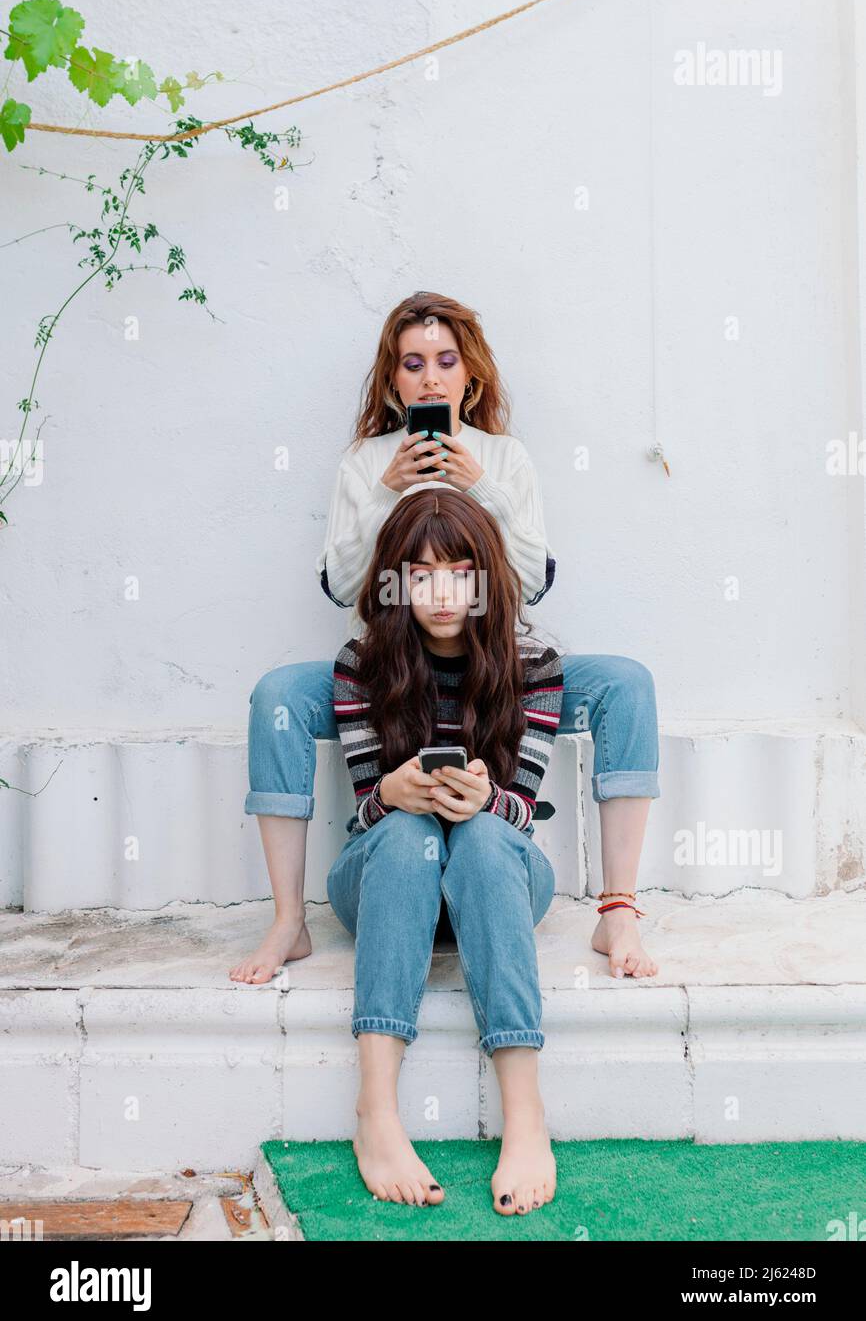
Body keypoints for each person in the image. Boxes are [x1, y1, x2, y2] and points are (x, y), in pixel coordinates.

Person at [232, 290, 659, 985]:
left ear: (472, 376)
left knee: (626, 682)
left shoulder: (505, 458)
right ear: (394, 381)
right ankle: (287, 919)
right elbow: (344, 587)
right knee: (278, 693)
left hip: (488, 659)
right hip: (386, 667)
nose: (430, 376)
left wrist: (481, 488)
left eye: (445, 360)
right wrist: (384, 493)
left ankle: (619, 908)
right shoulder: (365, 462)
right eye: (411, 363)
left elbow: (531, 583)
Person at [328, 486, 563, 1213]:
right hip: (385, 880)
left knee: (489, 839)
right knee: (404, 836)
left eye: (459, 572)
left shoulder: (535, 663)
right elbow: (366, 810)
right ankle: (377, 1113)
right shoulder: (360, 664)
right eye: (420, 574)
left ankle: (526, 1120)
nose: (440, 592)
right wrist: (391, 797)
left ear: (486, 577)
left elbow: (520, 810)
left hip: (495, 878)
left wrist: (486, 801)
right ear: (392, 581)